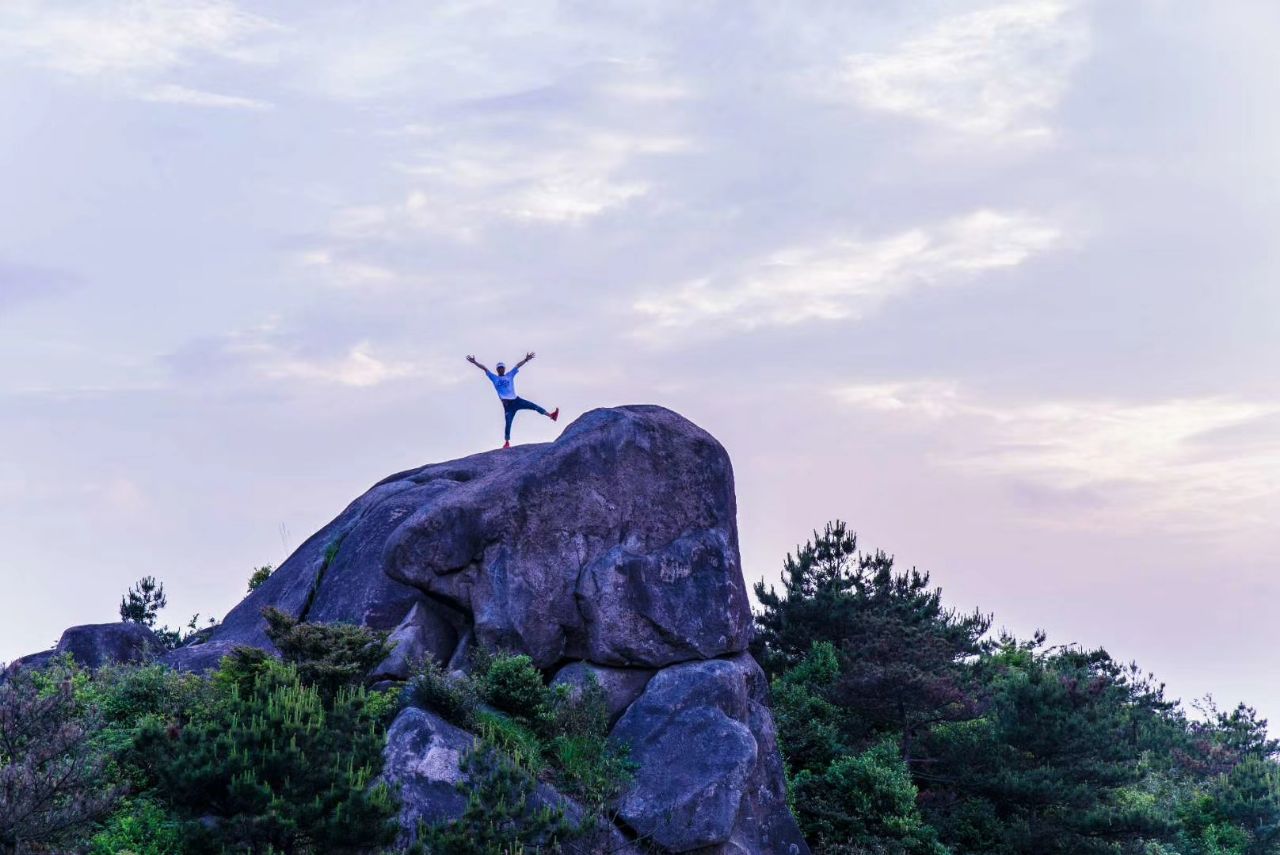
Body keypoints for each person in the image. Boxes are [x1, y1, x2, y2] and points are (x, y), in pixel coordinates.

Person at [466, 351, 559, 448]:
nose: (501, 369)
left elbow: (517, 366)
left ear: (504, 369)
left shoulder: (509, 375)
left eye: (502, 368)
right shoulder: (494, 378)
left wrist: (526, 359)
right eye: (499, 368)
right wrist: (475, 362)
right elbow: (484, 369)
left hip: (517, 400)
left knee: (533, 406)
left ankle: (551, 416)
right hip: (508, 405)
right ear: (497, 370)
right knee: (508, 423)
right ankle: (507, 442)